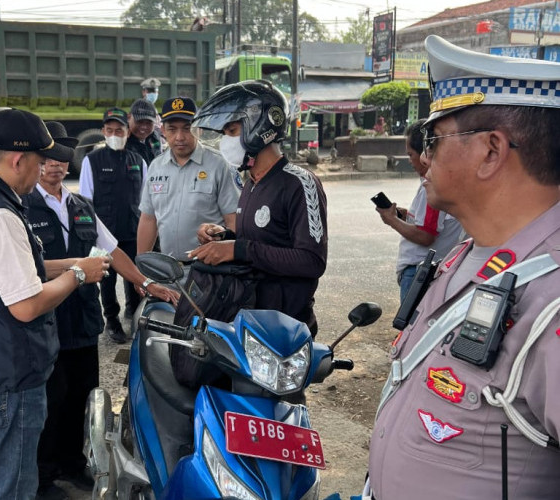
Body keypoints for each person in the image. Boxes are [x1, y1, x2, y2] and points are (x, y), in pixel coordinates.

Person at [367, 36, 560, 499]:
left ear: (492, 151)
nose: (425, 156)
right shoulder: (466, 253)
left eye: (434, 138)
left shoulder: (551, 296)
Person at [0, 108, 112, 500]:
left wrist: (70, 263)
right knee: (11, 484)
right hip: (7, 376)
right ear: (19, 160)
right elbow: (27, 304)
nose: (47, 168)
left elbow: (2, 269)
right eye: (41, 160)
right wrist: (80, 276)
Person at [22, 122, 177, 500]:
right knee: (49, 399)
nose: (56, 166)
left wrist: (144, 282)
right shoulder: (22, 206)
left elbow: (112, 250)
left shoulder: (81, 206)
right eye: (49, 159)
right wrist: (75, 267)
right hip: (46, 320)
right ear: (36, 163)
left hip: (83, 320)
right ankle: (43, 475)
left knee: (81, 394)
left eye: (62, 158)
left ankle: (74, 464)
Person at [190, 80, 328, 336]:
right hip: (248, 320)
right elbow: (258, 244)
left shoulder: (299, 183)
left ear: (258, 126)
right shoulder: (251, 182)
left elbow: (312, 261)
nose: (225, 141)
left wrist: (237, 249)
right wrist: (224, 238)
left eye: (231, 131)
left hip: (286, 328)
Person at [137, 96, 240, 260]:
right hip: (169, 273)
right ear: (163, 130)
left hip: (210, 270)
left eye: (187, 128)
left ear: (199, 129)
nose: (179, 137)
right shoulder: (156, 167)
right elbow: (149, 219)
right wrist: (142, 266)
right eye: (172, 129)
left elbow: (233, 219)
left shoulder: (220, 165)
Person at [79, 108, 148, 343]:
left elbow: (147, 200)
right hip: (102, 235)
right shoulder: (92, 160)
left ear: (128, 132)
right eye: (110, 130)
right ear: (103, 132)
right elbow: (86, 200)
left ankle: (135, 314)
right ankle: (112, 320)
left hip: (132, 230)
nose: (115, 134)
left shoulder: (137, 160)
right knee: (106, 281)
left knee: (134, 276)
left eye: (119, 130)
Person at [376, 118, 463, 303]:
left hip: (419, 272)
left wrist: (391, 220)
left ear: (426, 152)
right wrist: (405, 216)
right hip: (422, 270)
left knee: (410, 328)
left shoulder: (432, 186)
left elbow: (426, 236)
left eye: (410, 155)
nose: (412, 161)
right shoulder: (438, 183)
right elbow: (430, 223)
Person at [127, 98, 163, 165]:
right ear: (129, 117)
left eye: (149, 122)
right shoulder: (121, 141)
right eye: (139, 122)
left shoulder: (155, 138)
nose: (144, 127)